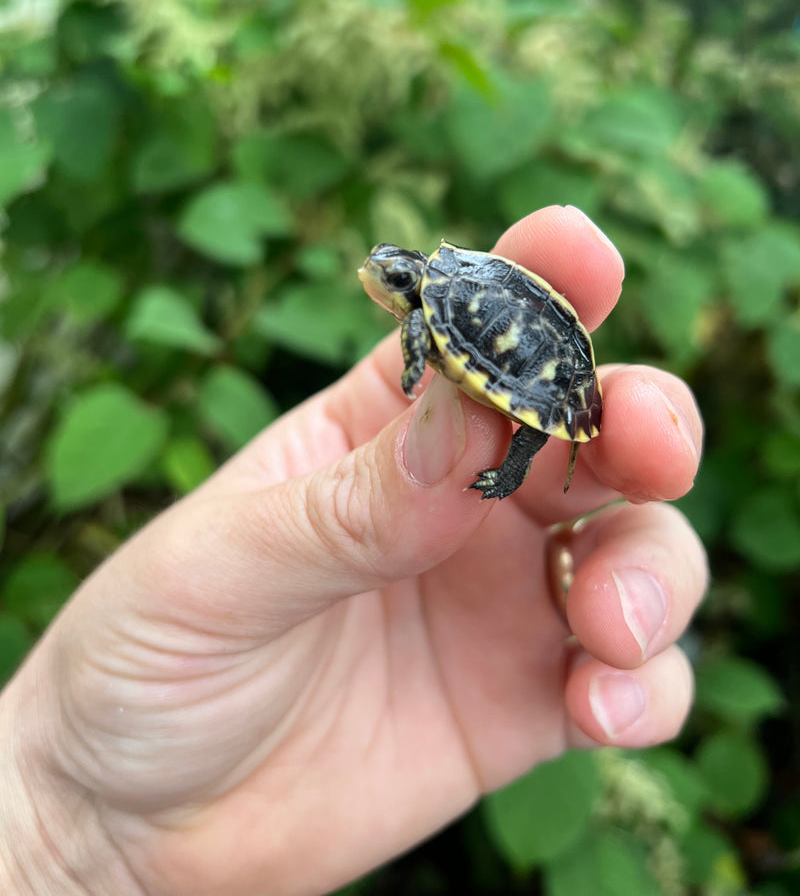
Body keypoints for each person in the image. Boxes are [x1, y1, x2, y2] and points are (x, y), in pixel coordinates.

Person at [0, 206, 706, 896]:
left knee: (546, 433)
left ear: (408, 285)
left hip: (537, 374)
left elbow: (429, 350)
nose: (378, 279)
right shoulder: (450, 283)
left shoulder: (434, 308)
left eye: (390, 276)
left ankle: (514, 467)